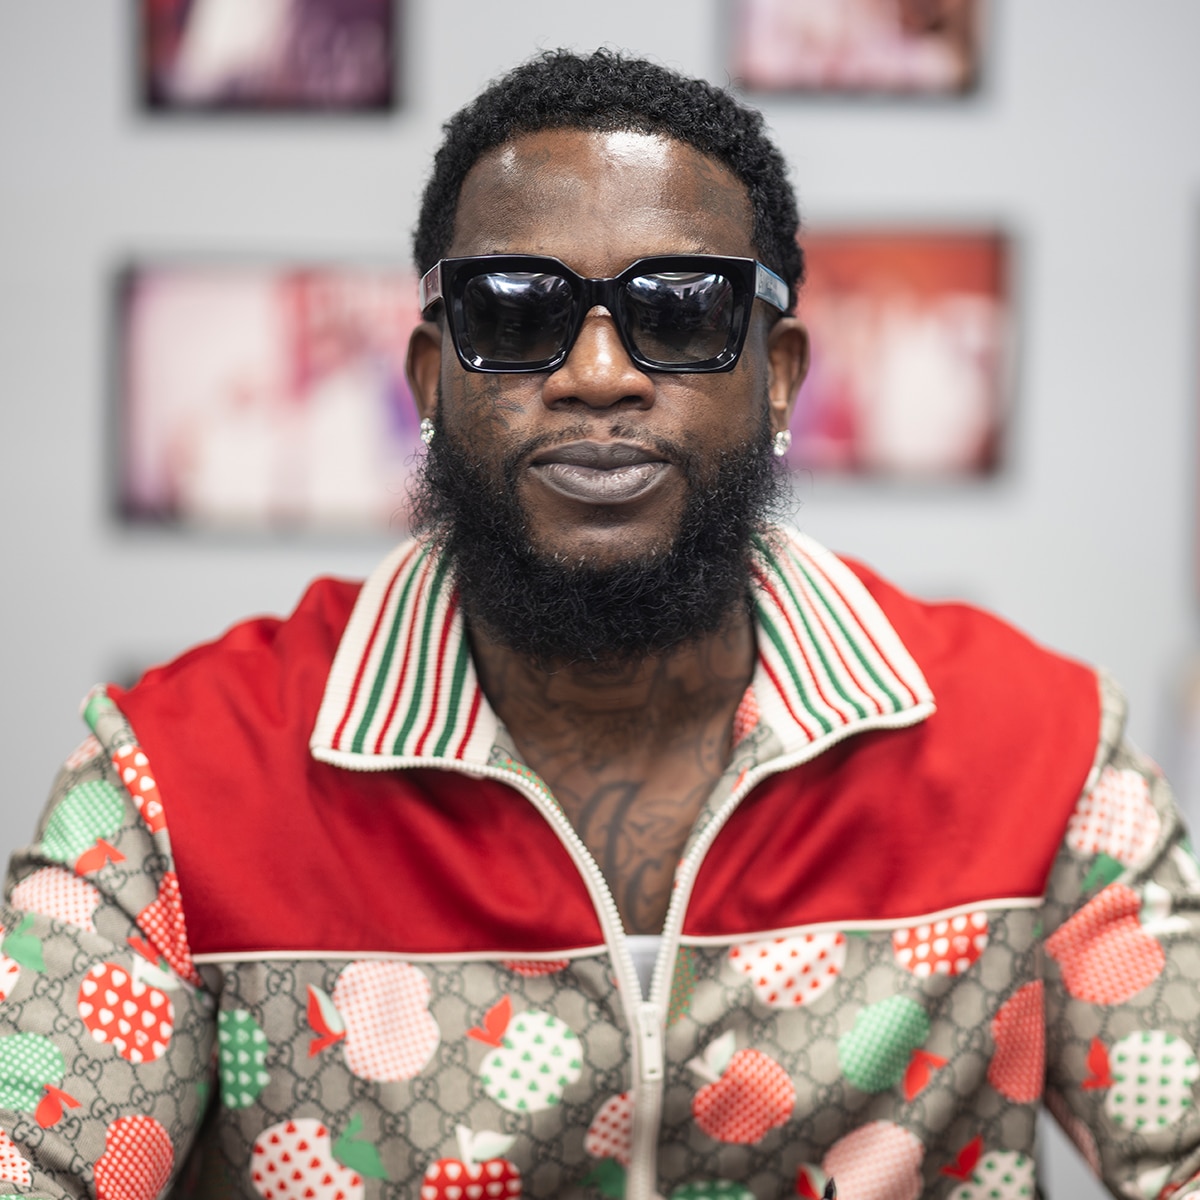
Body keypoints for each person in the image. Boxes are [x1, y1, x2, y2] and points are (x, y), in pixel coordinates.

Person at [1, 47, 1197, 1200]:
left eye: (679, 313)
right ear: (430, 382)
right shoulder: (174, 784)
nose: (598, 372)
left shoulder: (1038, 757)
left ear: (779, 375)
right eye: (516, 313)